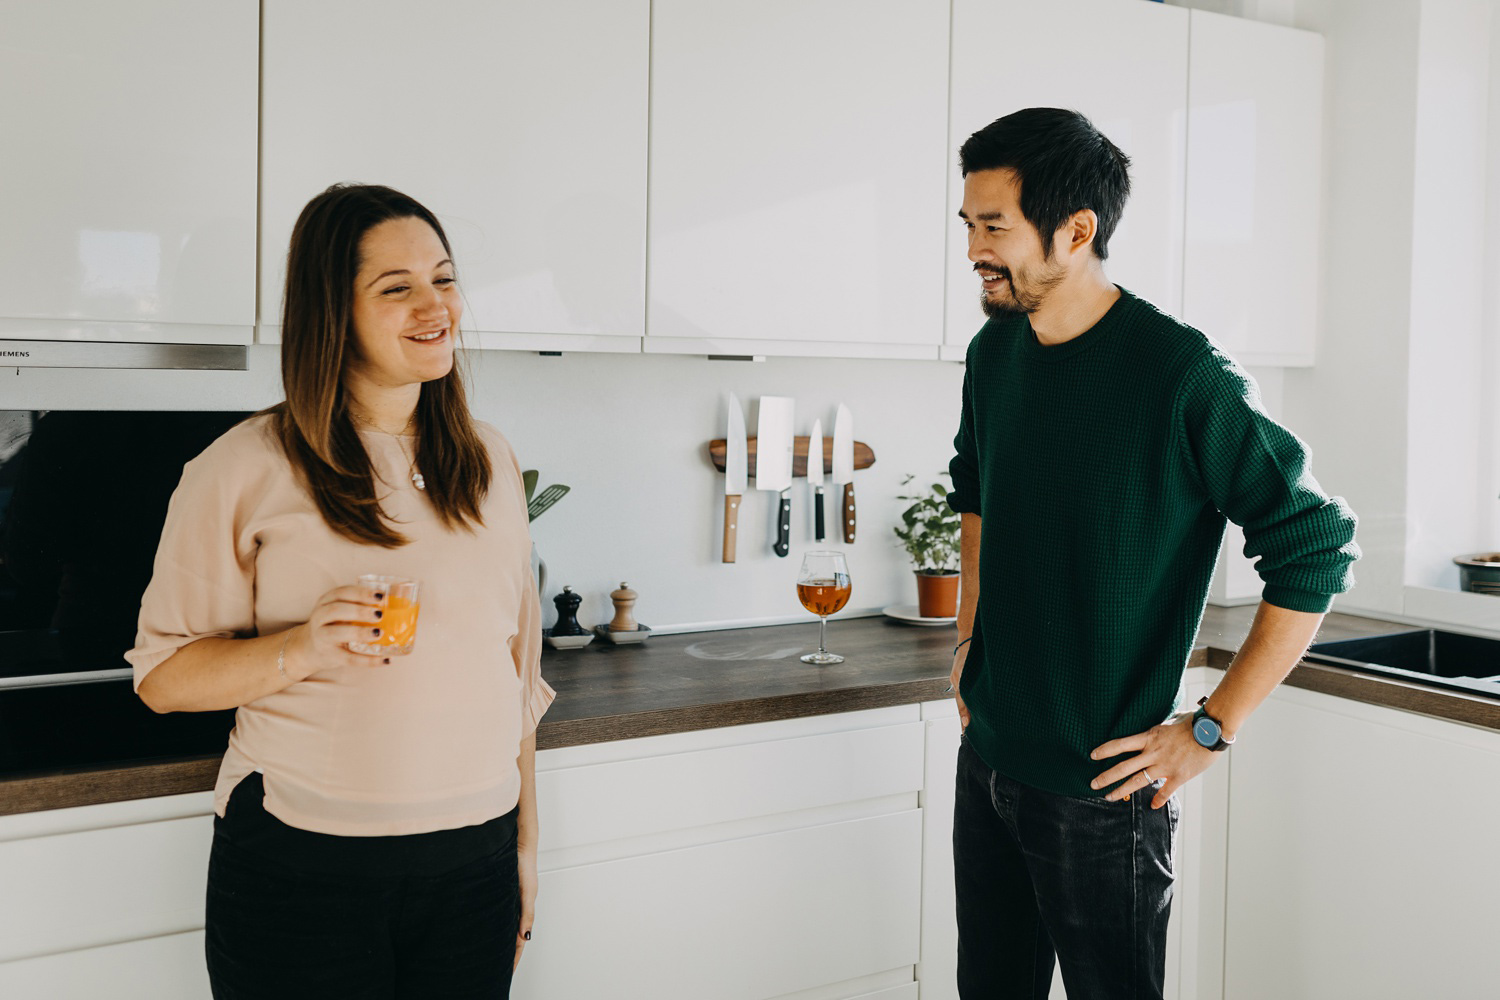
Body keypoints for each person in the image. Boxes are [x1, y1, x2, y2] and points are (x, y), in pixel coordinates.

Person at [945, 108, 1359, 999]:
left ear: (1077, 230)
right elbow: (975, 490)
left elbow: (1315, 544)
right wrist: (972, 640)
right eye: (969, 225)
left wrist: (1211, 729)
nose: (974, 248)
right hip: (990, 762)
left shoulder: (1179, 374)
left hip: (1103, 791)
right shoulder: (995, 353)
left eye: (994, 227)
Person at [127, 183, 551, 999]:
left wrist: (526, 853)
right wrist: (303, 646)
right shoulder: (243, 467)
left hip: (475, 865)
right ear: (333, 311)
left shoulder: (489, 462)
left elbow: (516, 677)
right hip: (304, 865)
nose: (435, 306)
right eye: (397, 288)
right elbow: (163, 677)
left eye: (444, 277)